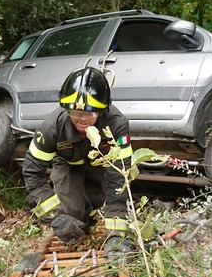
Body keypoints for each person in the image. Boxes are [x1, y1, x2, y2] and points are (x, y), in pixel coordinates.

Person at [22, 65, 134, 259]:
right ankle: (78, 215)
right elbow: (32, 173)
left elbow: (119, 177)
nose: (82, 119)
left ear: (102, 110)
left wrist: (117, 235)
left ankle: (89, 213)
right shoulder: (51, 128)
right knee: (71, 215)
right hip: (67, 164)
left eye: (90, 113)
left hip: (100, 163)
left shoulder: (117, 125)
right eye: (75, 113)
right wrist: (56, 218)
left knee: (98, 198)